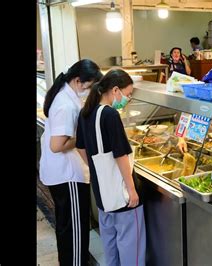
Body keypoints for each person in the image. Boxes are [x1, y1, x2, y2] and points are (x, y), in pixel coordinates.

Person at [76, 69, 146, 266]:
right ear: (115, 90)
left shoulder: (86, 112)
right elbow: (121, 156)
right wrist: (132, 190)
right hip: (122, 195)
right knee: (131, 247)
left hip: (101, 193)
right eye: (128, 93)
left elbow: (80, 147)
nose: (128, 98)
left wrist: (98, 169)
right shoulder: (110, 115)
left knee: (110, 244)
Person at [39, 59, 102, 266]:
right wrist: (84, 136)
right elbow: (56, 145)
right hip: (67, 177)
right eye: (90, 84)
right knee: (75, 228)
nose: (90, 89)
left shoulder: (66, 95)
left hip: (61, 174)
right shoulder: (66, 105)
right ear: (78, 80)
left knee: (67, 226)